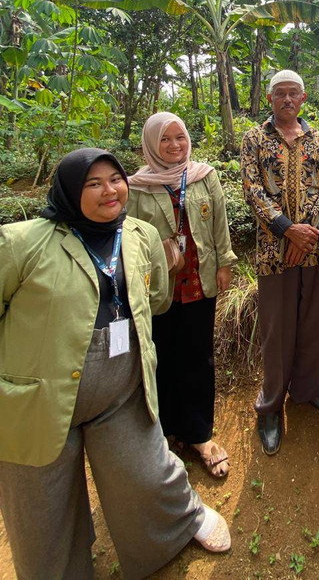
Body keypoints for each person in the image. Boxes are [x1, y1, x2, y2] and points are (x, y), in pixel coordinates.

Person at [0, 149, 230, 580]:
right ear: (69, 190)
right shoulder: (21, 243)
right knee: (42, 511)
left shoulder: (139, 234)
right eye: (93, 183)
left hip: (121, 392)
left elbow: (158, 297)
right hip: (39, 402)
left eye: (114, 179)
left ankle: (182, 520)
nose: (109, 190)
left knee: (147, 473)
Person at [128, 112, 236, 479]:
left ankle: (200, 433)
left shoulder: (205, 176)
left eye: (181, 137)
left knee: (198, 356)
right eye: (165, 139)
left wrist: (225, 263)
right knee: (161, 357)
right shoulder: (136, 187)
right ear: (150, 144)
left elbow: (219, 223)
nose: (175, 146)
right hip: (157, 287)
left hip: (198, 280)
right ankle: (165, 431)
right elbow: (128, 239)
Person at [240, 70, 319, 456]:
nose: (286, 99)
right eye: (279, 94)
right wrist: (287, 230)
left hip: (314, 248)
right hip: (273, 251)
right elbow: (251, 188)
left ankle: (309, 389)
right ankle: (271, 404)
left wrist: (307, 232)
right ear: (270, 99)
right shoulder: (254, 138)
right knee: (276, 328)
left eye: (293, 94)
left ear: (302, 100)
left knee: (315, 323)